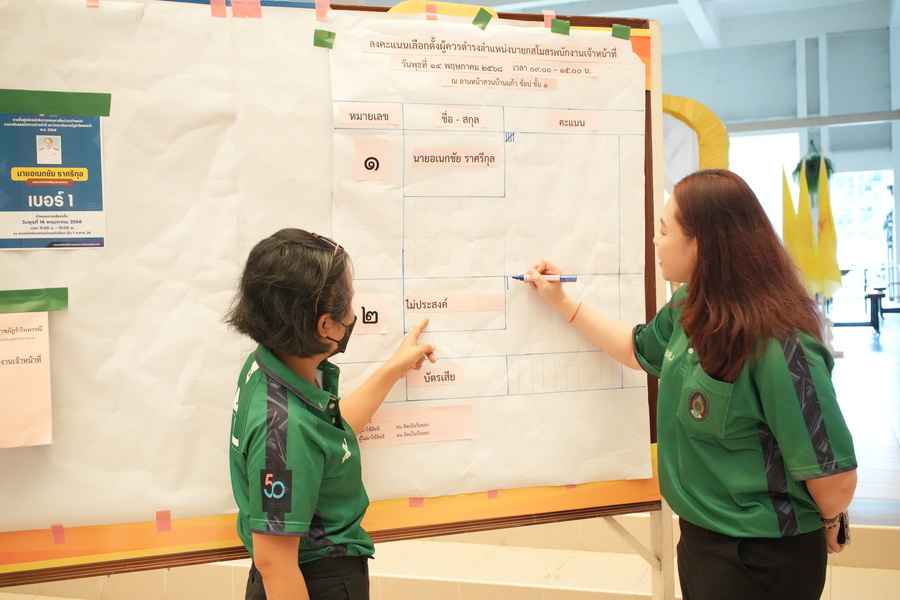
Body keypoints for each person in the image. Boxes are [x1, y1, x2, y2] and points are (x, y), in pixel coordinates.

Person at [525, 169, 857, 600]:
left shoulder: (778, 344)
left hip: (761, 556)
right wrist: (561, 301)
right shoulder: (690, 304)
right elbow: (637, 348)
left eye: (664, 231)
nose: (655, 241)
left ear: (702, 243)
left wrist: (830, 519)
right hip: (702, 541)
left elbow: (835, 482)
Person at [225, 228, 436, 600]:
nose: (353, 314)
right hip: (312, 582)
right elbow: (275, 562)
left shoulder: (269, 365)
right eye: (350, 303)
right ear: (325, 326)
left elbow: (324, 438)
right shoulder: (283, 430)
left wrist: (393, 369)